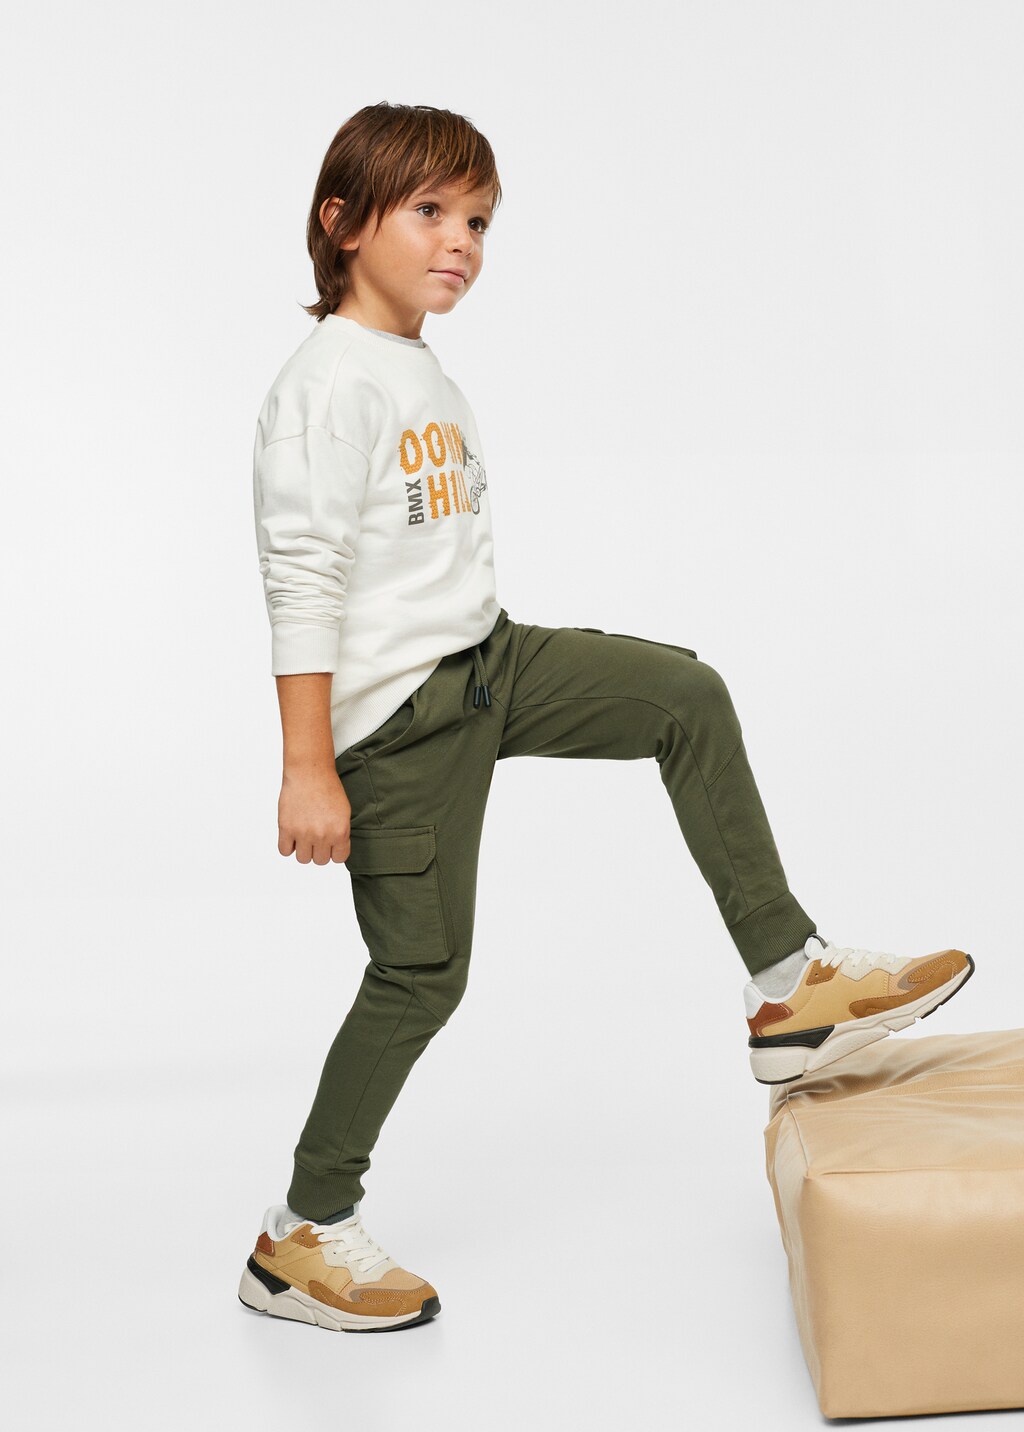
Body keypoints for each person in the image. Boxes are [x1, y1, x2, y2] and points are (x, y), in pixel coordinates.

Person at [239, 102, 975, 1334]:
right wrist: (306, 766)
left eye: (480, 220)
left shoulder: (421, 366)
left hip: (490, 661)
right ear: (343, 222)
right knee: (420, 975)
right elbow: (301, 578)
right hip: (403, 724)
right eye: (430, 211)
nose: (462, 240)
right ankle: (300, 1234)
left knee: (683, 697)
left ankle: (787, 982)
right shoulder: (326, 386)